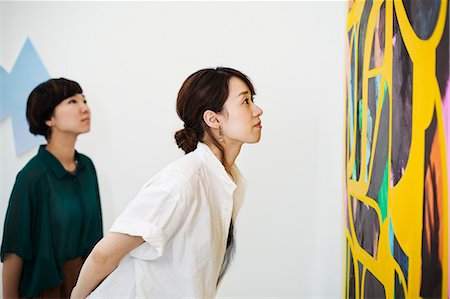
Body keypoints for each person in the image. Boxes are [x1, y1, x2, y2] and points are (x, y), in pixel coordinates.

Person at [70, 67, 263, 299]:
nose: (258, 110)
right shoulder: (183, 180)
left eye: (252, 100)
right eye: (245, 102)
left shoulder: (228, 180)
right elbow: (104, 254)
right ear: (213, 119)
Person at [1, 78, 103, 299]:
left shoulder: (86, 167)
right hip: (45, 290)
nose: (84, 107)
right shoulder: (32, 176)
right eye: (72, 101)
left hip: (86, 287)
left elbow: (97, 239)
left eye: (84, 100)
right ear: (49, 118)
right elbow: (14, 251)